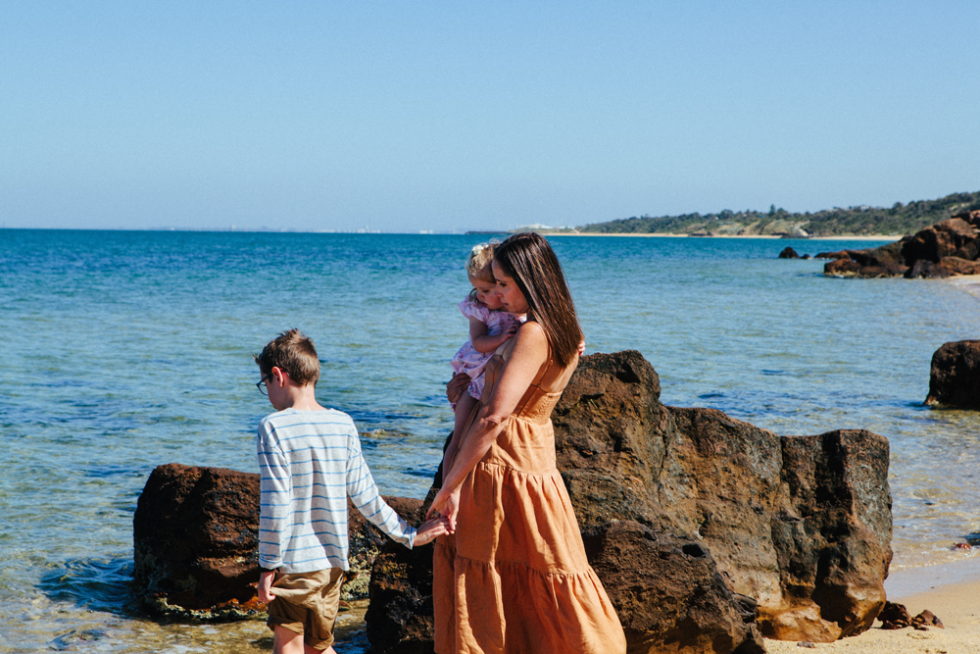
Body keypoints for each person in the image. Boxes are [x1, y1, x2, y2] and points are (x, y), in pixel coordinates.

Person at [427, 233, 627, 654]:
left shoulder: (533, 332)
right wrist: (461, 391)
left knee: (494, 575)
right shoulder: (567, 329)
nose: (495, 295)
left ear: (531, 280)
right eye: (494, 284)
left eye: (503, 284)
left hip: (499, 463)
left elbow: (496, 416)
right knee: (544, 567)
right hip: (534, 461)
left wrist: (450, 486)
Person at [254, 329, 449, 654]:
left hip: (294, 564)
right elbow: (366, 496)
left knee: (288, 647)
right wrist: (410, 535)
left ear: (278, 375)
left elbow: (277, 505)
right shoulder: (343, 423)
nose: (267, 393)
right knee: (318, 647)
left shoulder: (273, 427)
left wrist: (267, 567)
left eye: (265, 385)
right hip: (333, 566)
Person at [449, 242, 524, 448]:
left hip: (498, 379)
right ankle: (448, 477)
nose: (480, 295)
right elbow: (479, 342)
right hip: (474, 376)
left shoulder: (519, 309)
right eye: (476, 290)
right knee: (460, 436)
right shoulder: (480, 310)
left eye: (486, 289)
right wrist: (500, 338)